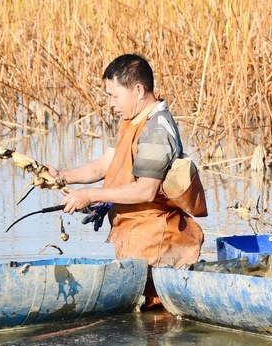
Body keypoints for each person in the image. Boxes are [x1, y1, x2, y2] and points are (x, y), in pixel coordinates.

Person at [45, 54, 204, 309]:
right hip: (138, 238)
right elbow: (106, 164)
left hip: (157, 242)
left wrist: (91, 195)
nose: (111, 104)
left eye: (114, 96)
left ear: (138, 90)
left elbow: (146, 190)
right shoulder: (134, 121)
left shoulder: (156, 129)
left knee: (157, 316)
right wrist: (61, 176)